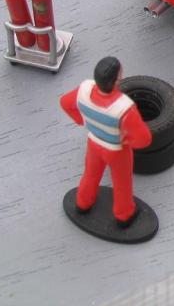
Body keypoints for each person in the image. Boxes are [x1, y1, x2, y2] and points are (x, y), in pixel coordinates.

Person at [60, 56, 151, 227]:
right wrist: (127, 139)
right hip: (117, 150)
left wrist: (81, 120)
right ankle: (124, 215)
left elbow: (64, 103)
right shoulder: (123, 108)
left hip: (94, 143)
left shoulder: (83, 91)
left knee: (90, 174)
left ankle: (82, 203)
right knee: (121, 183)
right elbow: (144, 139)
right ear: (116, 80)